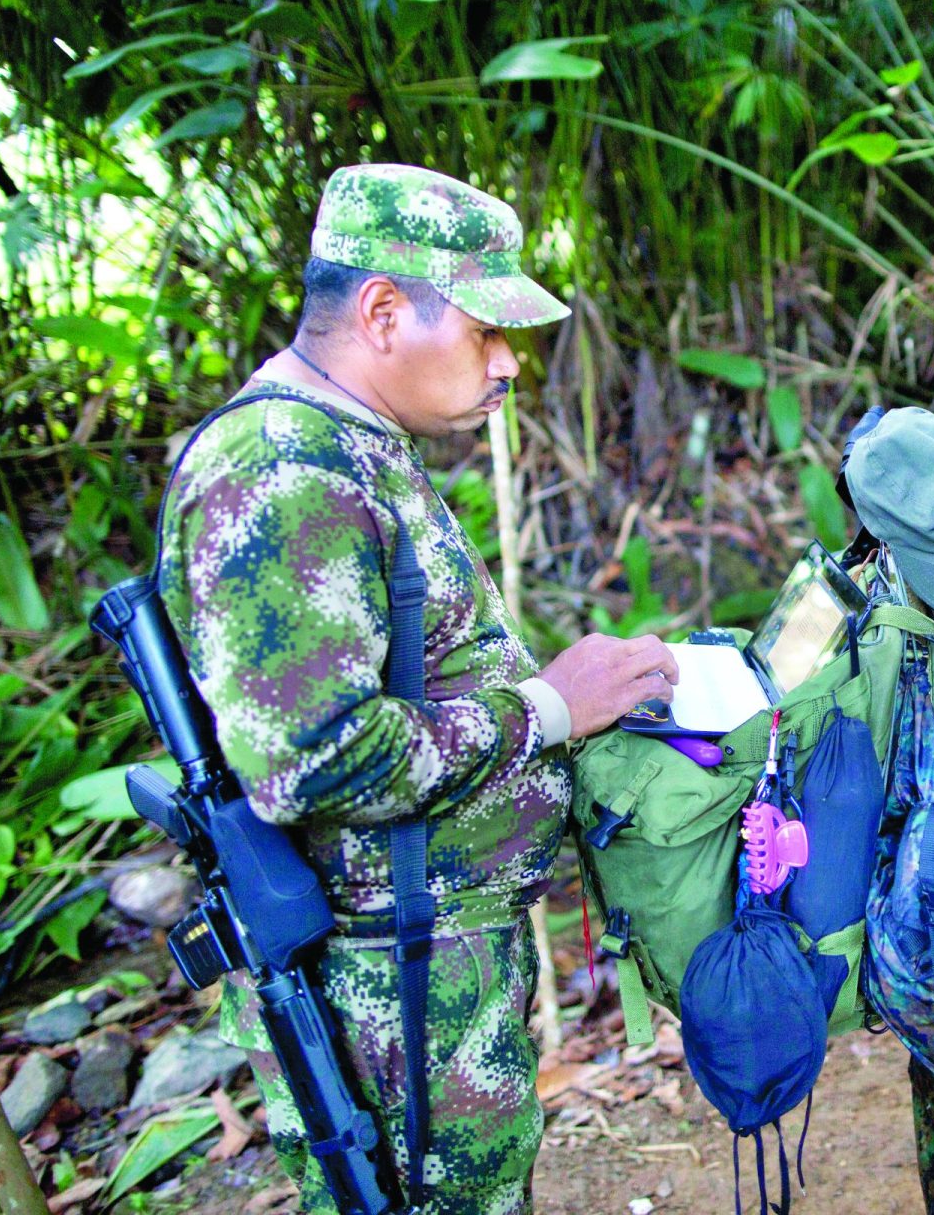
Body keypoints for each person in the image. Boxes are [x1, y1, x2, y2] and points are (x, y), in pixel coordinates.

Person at [157, 163, 679, 1214]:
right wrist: (546, 709)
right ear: (385, 311)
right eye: (487, 329)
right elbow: (308, 755)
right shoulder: (281, 468)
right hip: (383, 982)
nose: (507, 363)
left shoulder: (350, 447)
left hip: (428, 956)